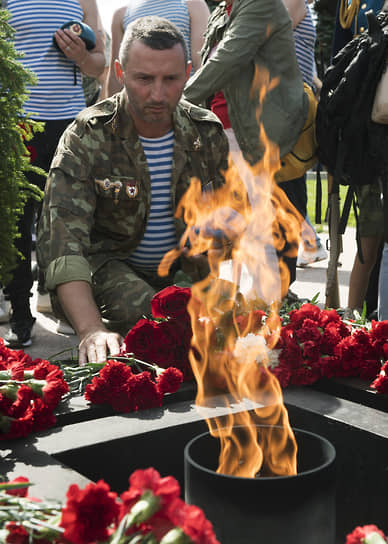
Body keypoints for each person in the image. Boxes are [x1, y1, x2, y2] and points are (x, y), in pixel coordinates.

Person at [37, 16, 229, 366]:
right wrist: (91, 329)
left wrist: (218, 241)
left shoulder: (206, 133)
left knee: (234, 323)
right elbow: (62, 243)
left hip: (185, 272)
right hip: (108, 269)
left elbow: (230, 220)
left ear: (187, 73)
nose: (157, 94)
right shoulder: (87, 136)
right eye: (143, 79)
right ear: (120, 72)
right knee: (151, 316)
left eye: (170, 79)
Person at [183, 0, 310, 297]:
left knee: (261, 237)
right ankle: (246, 314)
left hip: (252, 134)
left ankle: (266, 320)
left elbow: (226, 60)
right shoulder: (223, 9)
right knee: (234, 233)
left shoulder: (261, 3)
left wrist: (176, 101)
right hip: (223, 130)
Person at [3, 0, 105, 348]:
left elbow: (99, 65)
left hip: (70, 126)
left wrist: (81, 57)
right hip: (19, 124)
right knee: (18, 222)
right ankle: (20, 312)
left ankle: (68, 307)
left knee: (68, 221)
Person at [331, 0, 385, 320]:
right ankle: (359, 317)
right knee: (370, 235)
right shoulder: (351, 3)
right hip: (366, 134)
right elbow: (341, 60)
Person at [283, 0, 328, 268]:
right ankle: (310, 243)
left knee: (288, 178)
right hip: (291, 101)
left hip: (290, 103)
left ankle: (310, 244)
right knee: (290, 178)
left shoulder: (294, 2)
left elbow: (274, 39)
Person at [106, 0, 210, 96]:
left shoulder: (193, 5)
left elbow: (202, 64)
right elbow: (115, 77)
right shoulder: (122, 14)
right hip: (139, 106)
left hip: (184, 104)